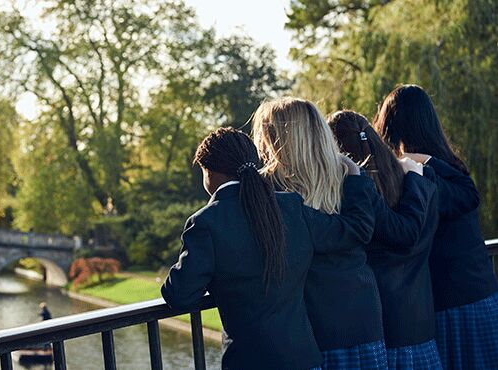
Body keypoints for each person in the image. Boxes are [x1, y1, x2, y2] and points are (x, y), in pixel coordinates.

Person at [161, 127, 377, 370]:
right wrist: (356, 177)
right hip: (305, 359)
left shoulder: (207, 222)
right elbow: (352, 230)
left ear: (209, 172)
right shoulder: (291, 206)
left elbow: (177, 294)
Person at [252, 97, 387, 369]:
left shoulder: (267, 188)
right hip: (360, 312)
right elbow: (364, 230)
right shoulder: (349, 176)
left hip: (315, 325)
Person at [374, 84, 498, 368]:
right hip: (477, 296)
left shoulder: (419, 177)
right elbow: (468, 194)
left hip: (454, 306)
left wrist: (420, 162)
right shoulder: (447, 169)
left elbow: (468, 196)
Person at [329, 110, 442, 369]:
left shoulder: (357, 194)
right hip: (421, 323)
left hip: (384, 326)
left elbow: (404, 233)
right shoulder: (418, 183)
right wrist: (416, 171)